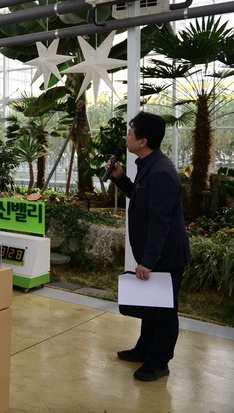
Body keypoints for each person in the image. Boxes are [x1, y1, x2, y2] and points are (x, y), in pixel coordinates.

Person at [107, 111, 191, 382]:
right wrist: (120, 178)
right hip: (155, 253)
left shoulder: (161, 172)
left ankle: (159, 362)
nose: (126, 137)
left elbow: (160, 222)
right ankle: (144, 348)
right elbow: (140, 196)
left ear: (142, 141)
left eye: (130, 133)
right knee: (150, 304)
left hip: (166, 255)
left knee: (164, 310)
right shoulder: (148, 165)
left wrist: (148, 260)